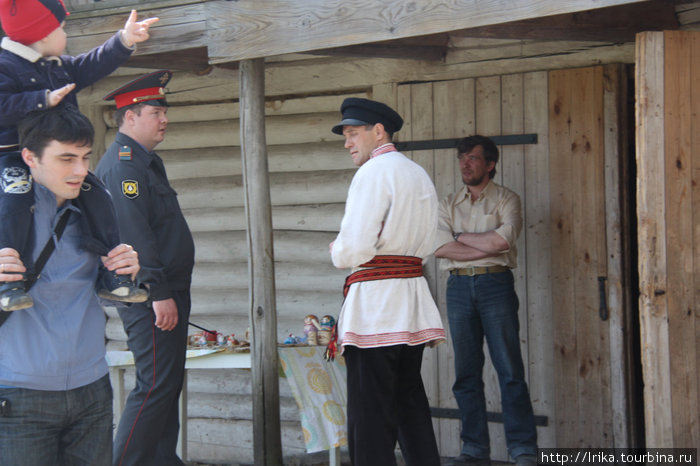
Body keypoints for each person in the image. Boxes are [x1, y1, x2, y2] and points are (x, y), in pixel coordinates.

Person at [0, 105, 142, 466]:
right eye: (66, 158)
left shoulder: (96, 205)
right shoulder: (5, 207)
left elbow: (109, 295)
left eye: (84, 157)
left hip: (92, 389)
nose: (80, 170)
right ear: (29, 156)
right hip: (17, 395)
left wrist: (126, 268)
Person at [0, 0, 157, 311]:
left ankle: (113, 274)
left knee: (99, 198)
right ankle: (9, 281)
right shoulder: (5, 65)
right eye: (61, 28)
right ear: (43, 35)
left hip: (64, 157)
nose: (64, 34)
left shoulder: (57, 65)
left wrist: (124, 41)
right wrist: (41, 100)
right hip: (15, 156)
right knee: (14, 205)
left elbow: (91, 64)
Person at [328, 97, 446, 466]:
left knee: (370, 410)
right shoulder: (417, 173)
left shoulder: (373, 173)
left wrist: (337, 250)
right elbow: (432, 242)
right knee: (409, 402)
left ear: (378, 132)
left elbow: (356, 245)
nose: (348, 142)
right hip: (410, 297)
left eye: (353, 134)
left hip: (377, 304)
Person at [95, 70, 195, 466]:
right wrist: (159, 292)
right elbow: (134, 236)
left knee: (167, 384)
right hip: (148, 293)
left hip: (164, 289)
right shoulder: (123, 166)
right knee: (155, 385)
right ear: (130, 116)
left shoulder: (145, 162)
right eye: (156, 112)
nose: (164, 119)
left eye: (164, 111)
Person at [433, 135, 538, 466]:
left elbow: (503, 242)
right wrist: (485, 242)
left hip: (496, 284)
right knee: (466, 372)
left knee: (509, 369)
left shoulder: (508, 199)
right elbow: (438, 247)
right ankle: (474, 448)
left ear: (490, 164)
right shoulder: (447, 203)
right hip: (459, 288)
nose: (465, 163)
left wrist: (459, 237)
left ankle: (523, 449)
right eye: (462, 158)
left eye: (472, 158)